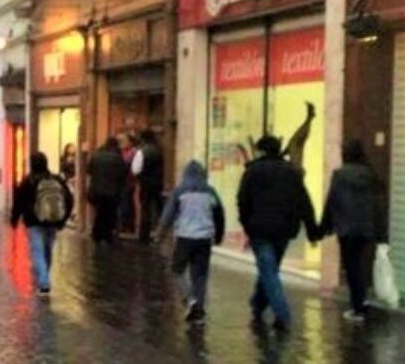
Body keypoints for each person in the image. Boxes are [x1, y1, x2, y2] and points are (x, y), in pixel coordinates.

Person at [238, 135, 319, 331]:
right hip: (284, 231)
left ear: (262, 151)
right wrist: (311, 230)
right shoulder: (292, 172)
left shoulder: (252, 172)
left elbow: (242, 201)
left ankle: (282, 315)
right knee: (269, 269)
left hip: (260, 231)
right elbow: (304, 202)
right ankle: (257, 304)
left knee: (268, 270)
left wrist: (247, 226)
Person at [320, 140, 383, 324]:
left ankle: (358, 307)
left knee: (351, 267)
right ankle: (361, 301)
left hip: (346, 229)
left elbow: (332, 201)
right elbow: (377, 203)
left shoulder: (340, 175)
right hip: (365, 228)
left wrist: (324, 226)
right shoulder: (370, 175)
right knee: (359, 265)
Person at [159, 160, 225, 323]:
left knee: (177, 270)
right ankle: (199, 311)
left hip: (185, 237)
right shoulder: (210, 191)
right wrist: (218, 235)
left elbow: (168, 215)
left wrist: (160, 235)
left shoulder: (179, 191)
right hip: (204, 239)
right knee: (200, 275)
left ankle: (189, 299)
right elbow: (219, 215)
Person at [10, 152, 74, 298]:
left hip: (34, 222)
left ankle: (44, 282)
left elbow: (18, 201)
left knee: (37, 251)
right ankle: (43, 276)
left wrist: (14, 219)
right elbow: (69, 199)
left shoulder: (29, 181)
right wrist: (63, 219)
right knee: (47, 250)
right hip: (53, 221)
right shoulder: (56, 179)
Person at [87, 137, 126, 244]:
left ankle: (97, 234)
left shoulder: (96, 156)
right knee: (109, 214)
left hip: (96, 191)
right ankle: (106, 235)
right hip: (111, 192)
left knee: (99, 212)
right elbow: (122, 174)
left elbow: (89, 172)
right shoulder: (117, 158)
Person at [132, 130, 165, 243]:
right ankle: (161, 234)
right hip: (158, 184)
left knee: (145, 209)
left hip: (145, 184)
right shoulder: (159, 150)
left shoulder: (142, 151)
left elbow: (135, 169)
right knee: (158, 208)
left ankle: (144, 235)